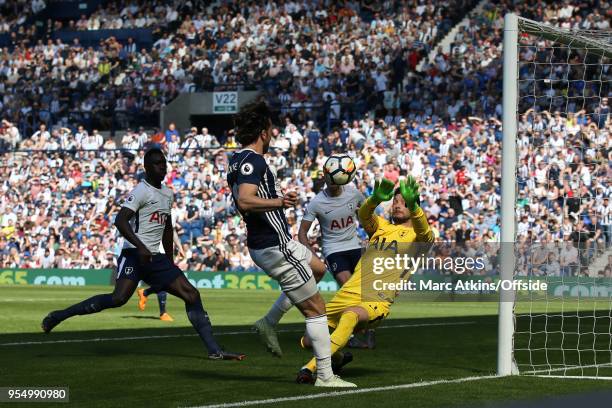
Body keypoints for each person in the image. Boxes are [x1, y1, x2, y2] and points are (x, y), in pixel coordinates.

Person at [41, 148, 244, 361]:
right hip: (133, 254)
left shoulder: (167, 193)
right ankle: (59, 316)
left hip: (155, 257)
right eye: (157, 163)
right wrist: (141, 247)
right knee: (118, 298)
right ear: (147, 167)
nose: (162, 167)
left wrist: (170, 261)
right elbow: (120, 220)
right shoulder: (141, 190)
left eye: (164, 163)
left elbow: (166, 227)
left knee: (192, 295)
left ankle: (214, 350)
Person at [227, 101, 355, 387]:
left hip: (274, 241)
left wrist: (276, 199)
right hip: (274, 244)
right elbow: (245, 200)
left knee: (318, 269)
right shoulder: (253, 161)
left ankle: (268, 322)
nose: (272, 134)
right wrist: (279, 201)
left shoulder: (235, 160)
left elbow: (245, 199)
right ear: (263, 132)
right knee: (316, 309)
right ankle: (325, 375)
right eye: (270, 129)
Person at [296, 177, 435, 384]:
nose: (398, 205)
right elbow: (363, 214)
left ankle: (310, 369)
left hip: (376, 300)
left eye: (404, 202)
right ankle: (339, 359)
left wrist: (413, 205)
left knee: (350, 317)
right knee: (309, 340)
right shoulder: (381, 227)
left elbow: (425, 232)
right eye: (395, 201)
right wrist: (374, 200)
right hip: (348, 292)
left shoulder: (419, 238)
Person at [297, 164, 375, 349]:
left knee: (364, 291)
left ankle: (368, 329)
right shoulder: (316, 202)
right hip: (333, 250)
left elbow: (367, 218)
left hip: (355, 246)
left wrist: (375, 237)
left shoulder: (354, 194)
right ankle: (350, 336)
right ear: (325, 176)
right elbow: (302, 233)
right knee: (348, 288)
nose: (333, 183)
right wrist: (310, 256)